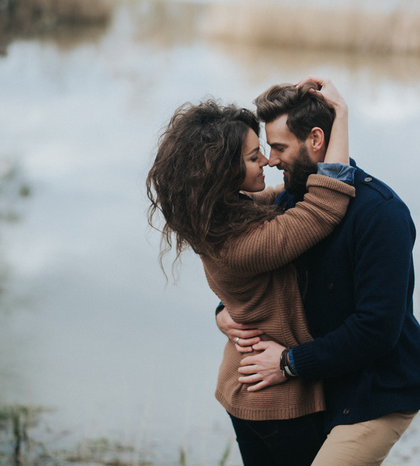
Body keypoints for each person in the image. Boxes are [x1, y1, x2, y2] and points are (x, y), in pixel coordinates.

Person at [217, 76, 420, 465]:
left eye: (279, 147)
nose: (271, 160)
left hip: (374, 389)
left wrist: (288, 363)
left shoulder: (382, 215)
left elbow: (377, 329)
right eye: (265, 149)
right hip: (319, 384)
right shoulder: (294, 201)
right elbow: (254, 267)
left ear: (316, 140)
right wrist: (224, 313)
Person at [146, 81, 355, 466]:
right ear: (223, 172)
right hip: (276, 401)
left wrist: (222, 314)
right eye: (254, 157)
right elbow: (324, 205)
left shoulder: (216, 214)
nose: (266, 162)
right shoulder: (243, 245)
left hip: (242, 385)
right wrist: (340, 117)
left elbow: (281, 196)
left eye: (265, 152)